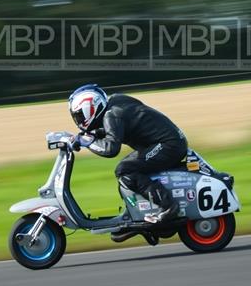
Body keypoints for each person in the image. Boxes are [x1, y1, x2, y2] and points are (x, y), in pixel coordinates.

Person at [67, 83, 188, 232]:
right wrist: (91, 136)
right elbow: (114, 130)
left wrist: (87, 141)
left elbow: (111, 149)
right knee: (126, 171)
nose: (78, 120)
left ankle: (169, 207)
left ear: (90, 109)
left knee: (125, 170)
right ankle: (136, 215)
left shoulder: (112, 114)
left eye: (79, 115)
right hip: (168, 142)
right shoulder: (114, 104)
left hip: (168, 145)